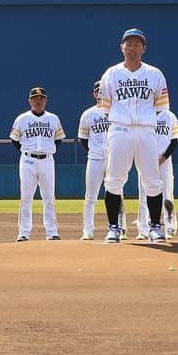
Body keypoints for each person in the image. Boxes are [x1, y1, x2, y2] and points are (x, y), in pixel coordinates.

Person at [98, 29, 170, 243]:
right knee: (113, 180)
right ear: (122, 47)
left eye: (137, 44)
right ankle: (114, 228)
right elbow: (104, 107)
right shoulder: (111, 74)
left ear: (144, 49)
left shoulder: (154, 74)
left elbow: (161, 107)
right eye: (128, 43)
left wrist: (146, 121)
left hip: (146, 130)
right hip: (120, 129)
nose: (132, 47)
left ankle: (155, 227)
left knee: (153, 181)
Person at [10, 87, 63, 242]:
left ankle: (52, 232)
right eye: (35, 98)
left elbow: (58, 139)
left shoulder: (53, 118)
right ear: (30, 101)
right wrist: (26, 150)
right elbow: (14, 139)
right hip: (27, 161)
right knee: (26, 198)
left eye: (41, 98)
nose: (38, 101)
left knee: (49, 198)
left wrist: (48, 150)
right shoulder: (22, 119)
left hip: (47, 160)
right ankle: (24, 232)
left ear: (45, 100)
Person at [136, 106, 178, 238]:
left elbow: (174, 140)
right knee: (144, 194)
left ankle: (170, 227)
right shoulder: (142, 114)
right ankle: (143, 229)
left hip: (164, 160)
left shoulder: (169, 116)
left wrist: (164, 157)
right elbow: (137, 139)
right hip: (145, 160)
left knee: (167, 193)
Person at [78, 81, 115, 240]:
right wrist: (94, 151)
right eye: (98, 90)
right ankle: (88, 230)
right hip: (95, 159)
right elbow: (83, 138)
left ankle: (119, 228)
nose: (100, 93)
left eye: (103, 90)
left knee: (116, 193)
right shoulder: (88, 114)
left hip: (114, 158)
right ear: (94, 94)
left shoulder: (116, 111)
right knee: (90, 195)